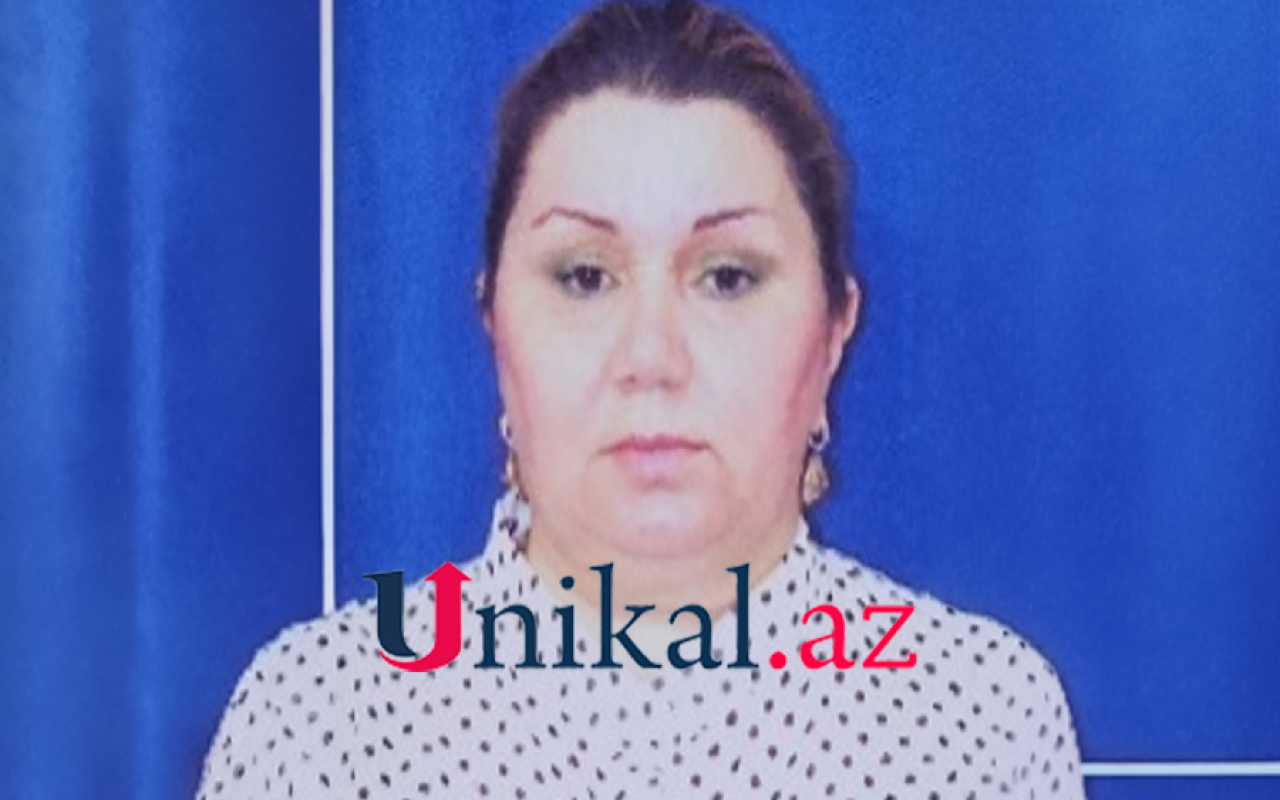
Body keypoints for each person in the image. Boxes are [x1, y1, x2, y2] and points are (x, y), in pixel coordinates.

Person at [197, 1, 1086, 797]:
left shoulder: (976, 720)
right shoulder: (319, 727)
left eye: (727, 277)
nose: (652, 357)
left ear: (832, 335)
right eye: (585, 277)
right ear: (494, 325)